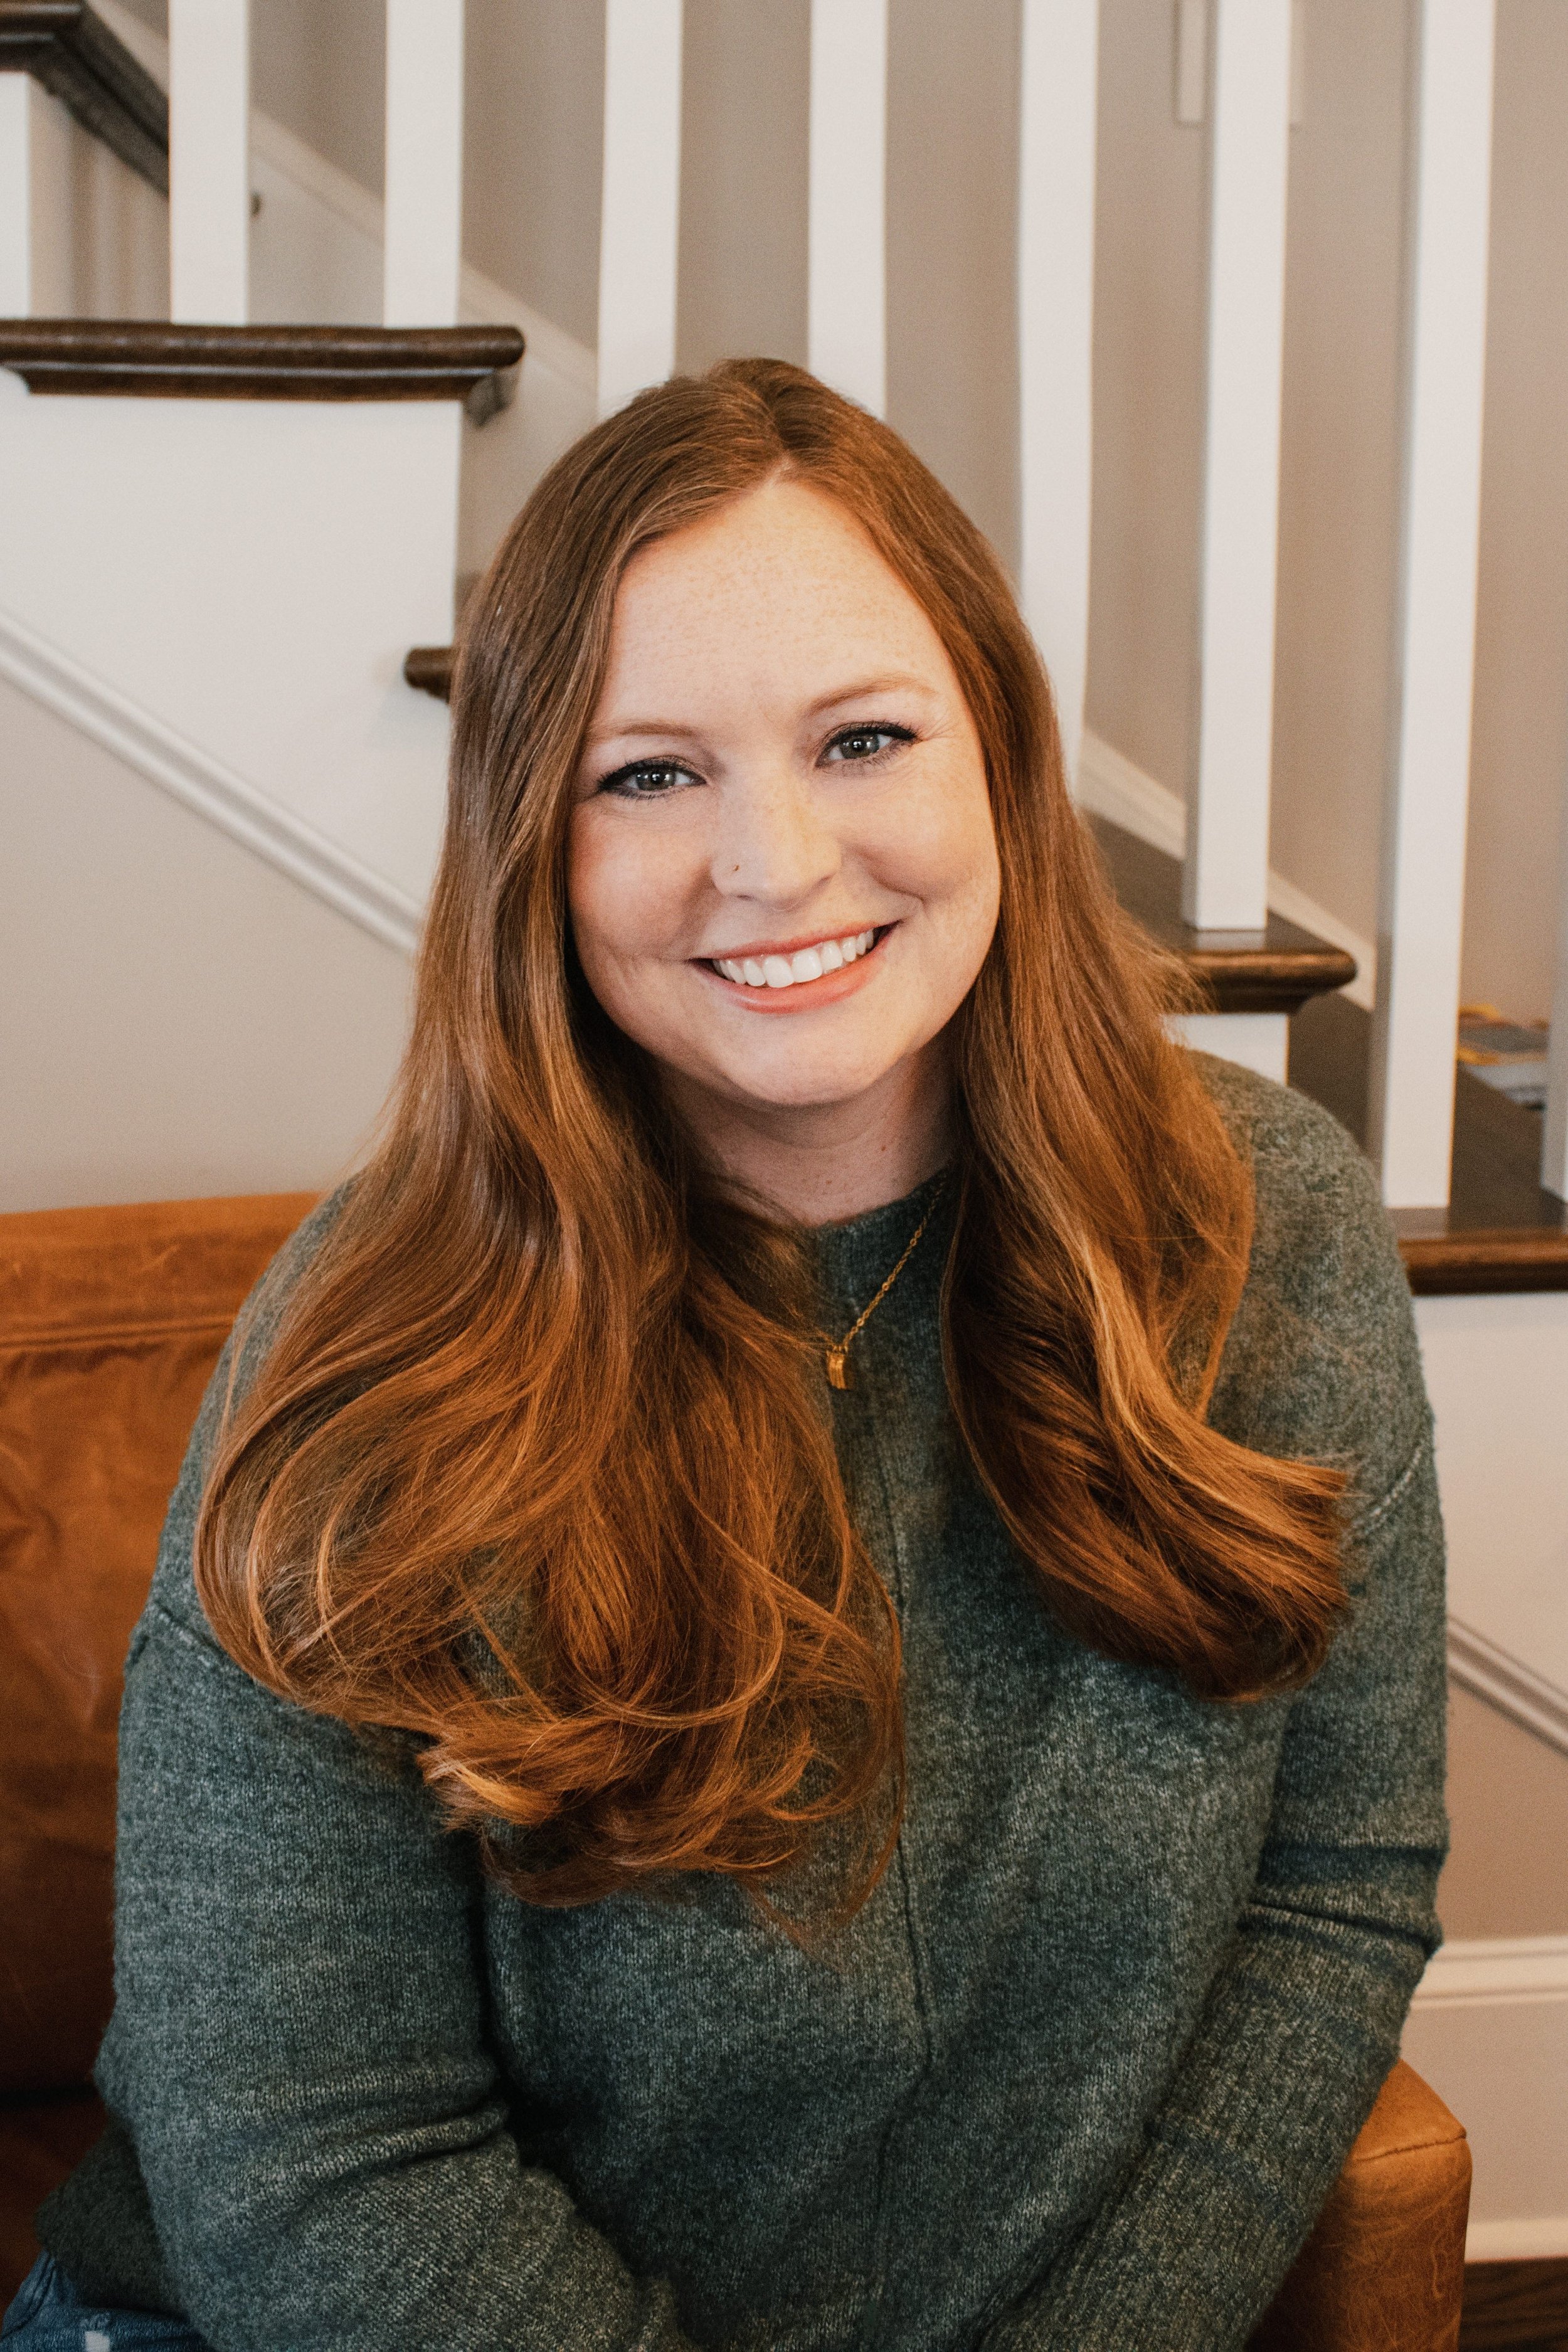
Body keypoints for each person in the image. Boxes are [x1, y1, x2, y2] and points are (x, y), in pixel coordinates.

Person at [8, 359, 1446, 2352]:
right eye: (647, 773)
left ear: (1000, 762)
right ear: (535, 839)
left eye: (862, 737)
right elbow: (319, 2157)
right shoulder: (362, 1352)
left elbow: (1326, 1894)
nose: (772, 862)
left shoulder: (1261, 1224)